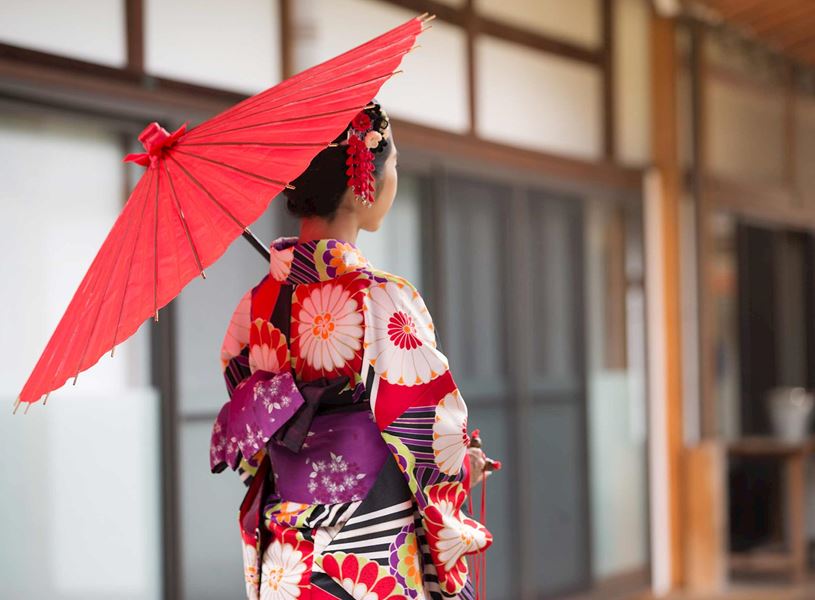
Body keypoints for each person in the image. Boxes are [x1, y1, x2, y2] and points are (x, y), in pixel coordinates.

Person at [210, 99, 498, 600]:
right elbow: (426, 431)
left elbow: (252, 433)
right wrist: (462, 470)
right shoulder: (380, 296)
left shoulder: (255, 304)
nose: (396, 178)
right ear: (364, 181)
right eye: (396, 165)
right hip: (367, 541)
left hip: (286, 546)